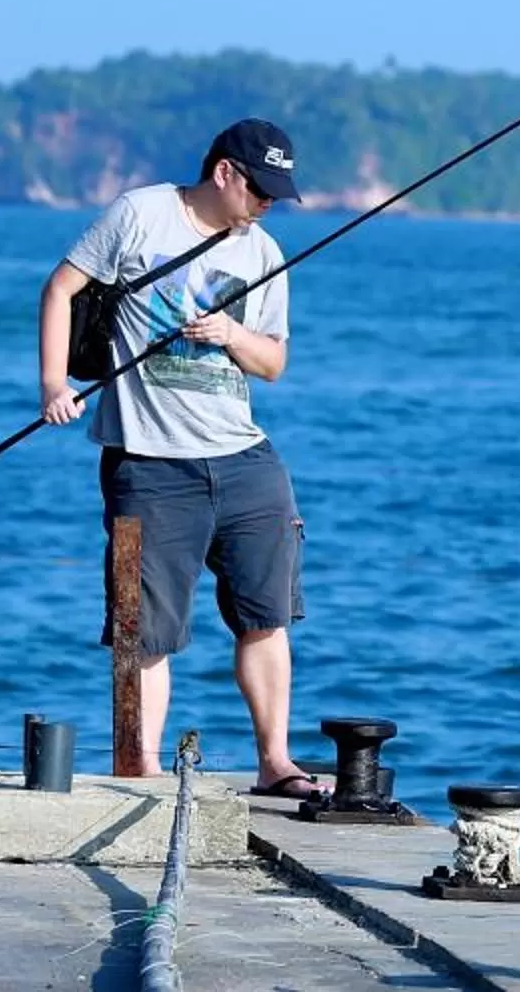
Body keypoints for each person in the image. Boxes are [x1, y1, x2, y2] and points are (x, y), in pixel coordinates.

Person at [36, 117, 319, 792]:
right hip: (151, 463)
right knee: (145, 631)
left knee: (266, 615)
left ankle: (276, 763)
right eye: (260, 189)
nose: (268, 204)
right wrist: (54, 384)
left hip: (246, 459)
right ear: (225, 173)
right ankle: (143, 768)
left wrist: (230, 336)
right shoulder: (141, 214)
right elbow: (61, 288)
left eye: (277, 193)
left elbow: (274, 362)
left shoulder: (264, 252)